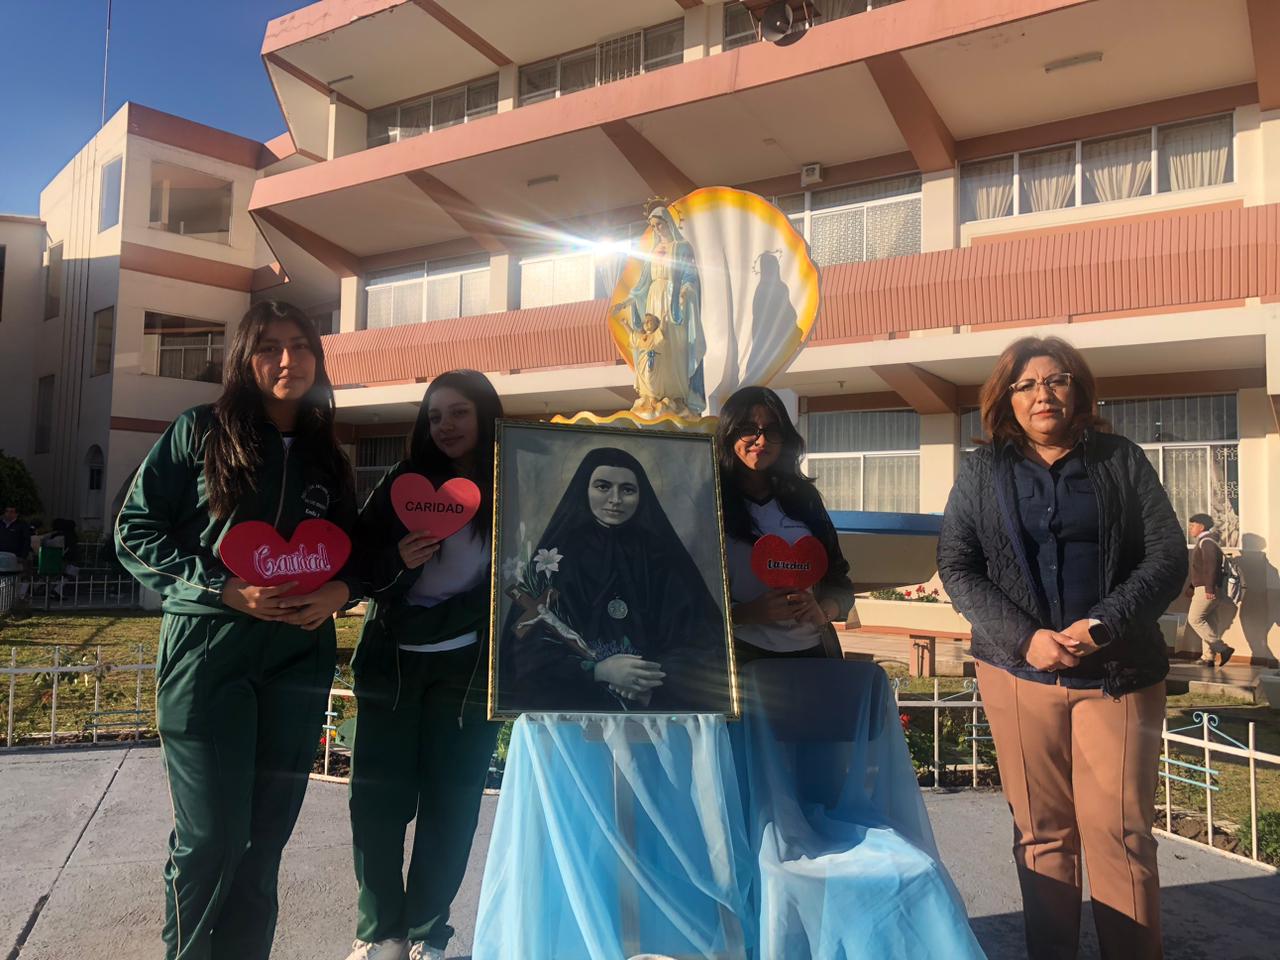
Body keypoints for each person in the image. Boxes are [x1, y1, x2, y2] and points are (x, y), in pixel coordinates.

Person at [115, 300, 359, 960]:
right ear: (244, 359)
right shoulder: (200, 431)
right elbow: (134, 530)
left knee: (264, 842)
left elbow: (353, 552)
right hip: (208, 654)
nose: (287, 360)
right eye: (269, 347)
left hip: (298, 657)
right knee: (211, 840)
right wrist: (222, 588)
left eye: (301, 345)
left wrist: (341, 591)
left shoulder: (328, 456)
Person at [938, 336, 1186, 960]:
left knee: (1120, 833)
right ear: (1006, 399)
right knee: (1041, 834)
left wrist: (1104, 623)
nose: (1042, 394)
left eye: (1056, 380)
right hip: (1018, 674)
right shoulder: (982, 470)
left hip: (1117, 674)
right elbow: (958, 564)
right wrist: (1025, 639)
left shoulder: (1120, 460)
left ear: (1078, 390)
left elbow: (1166, 557)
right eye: (1025, 385)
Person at [345, 370, 503, 960]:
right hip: (392, 667)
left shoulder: (510, 484)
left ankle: (427, 935)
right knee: (377, 805)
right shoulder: (402, 483)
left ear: (484, 414)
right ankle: (379, 932)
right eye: (435, 416)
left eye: (459, 412)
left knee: (452, 806)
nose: (446, 426)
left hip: (467, 673)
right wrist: (399, 559)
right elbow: (359, 563)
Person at [498, 446, 731, 713]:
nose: (615, 499)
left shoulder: (664, 559)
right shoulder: (553, 561)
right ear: (584, 490)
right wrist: (598, 671)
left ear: (641, 495)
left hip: (654, 707)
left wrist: (647, 678)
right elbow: (527, 650)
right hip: (574, 711)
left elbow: (703, 641)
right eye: (603, 487)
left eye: (627, 490)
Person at [715, 386, 854, 665]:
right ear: (729, 434)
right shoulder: (710, 500)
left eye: (772, 430)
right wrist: (747, 613)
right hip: (741, 659)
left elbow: (840, 583)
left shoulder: (804, 499)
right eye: (748, 429)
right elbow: (689, 599)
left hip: (811, 656)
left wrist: (823, 611)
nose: (761, 440)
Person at [613, 200, 705, 417]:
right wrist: (626, 302)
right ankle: (652, 394)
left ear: (669, 223)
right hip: (654, 300)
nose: (657, 229)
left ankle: (675, 396)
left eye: (659, 224)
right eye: (653, 226)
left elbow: (690, 275)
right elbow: (642, 284)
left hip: (674, 305)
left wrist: (685, 291)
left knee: (673, 346)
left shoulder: (682, 247)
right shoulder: (653, 251)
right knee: (652, 346)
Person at [1186, 512, 1235, 667]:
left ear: (1201, 526)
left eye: (1192, 525)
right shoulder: (1207, 541)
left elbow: (1211, 567)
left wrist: (1209, 588)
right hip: (1209, 587)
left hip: (1207, 588)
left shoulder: (1206, 542)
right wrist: (1192, 586)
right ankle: (1208, 657)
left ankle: (1223, 649)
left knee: (1195, 619)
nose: (1190, 529)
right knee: (1210, 622)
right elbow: (1202, 569)